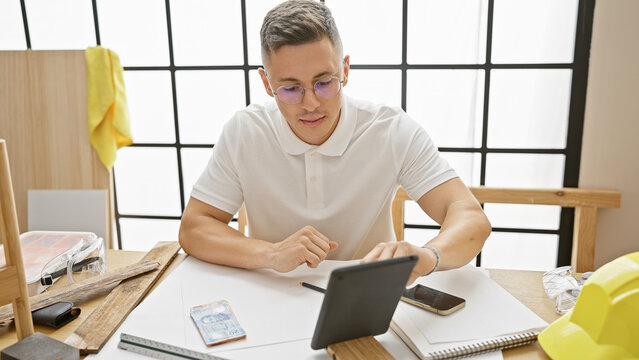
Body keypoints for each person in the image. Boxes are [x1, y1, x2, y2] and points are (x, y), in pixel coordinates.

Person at [179, 0, 491, 284]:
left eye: (324, 83)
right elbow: (194, 227)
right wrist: (271, 254)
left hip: (368, 297)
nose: (311, 103)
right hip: (274, 291)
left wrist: (428, 256)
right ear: (266, 83)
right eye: (290, 89)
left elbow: (470, 216)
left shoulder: (390, 129)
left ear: (345, 69)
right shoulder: (245, 132)